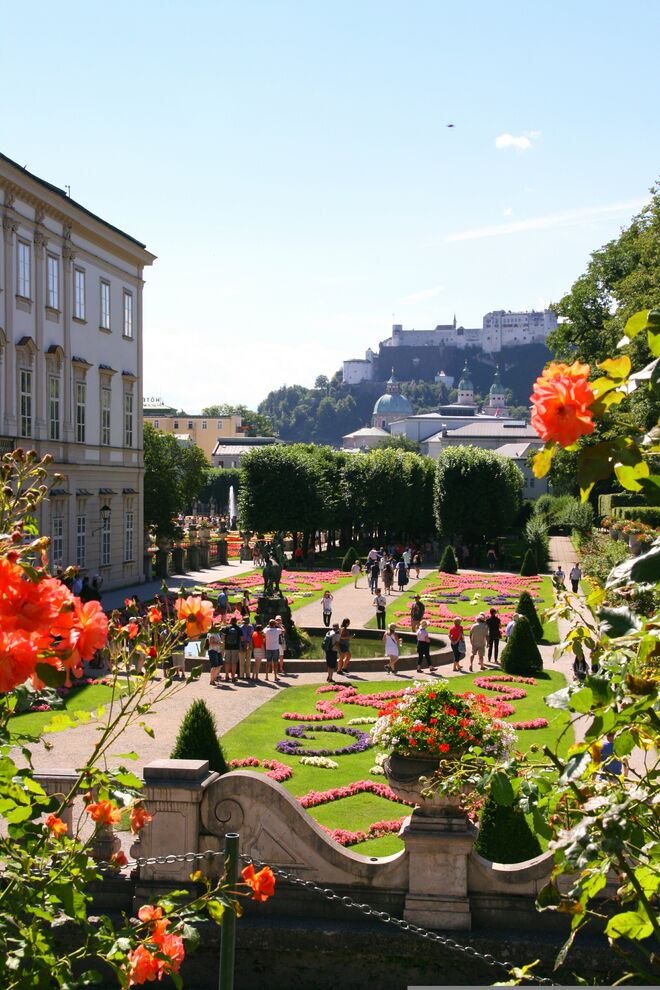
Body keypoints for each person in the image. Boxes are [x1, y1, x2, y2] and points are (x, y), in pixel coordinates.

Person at [222, 617, 241, 683]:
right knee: (234, 663)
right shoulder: (238, 628)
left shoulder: (227, 628)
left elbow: (223, 637)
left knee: (227, 662)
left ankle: (227, 676)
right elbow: (242, 638)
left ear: (230, 621)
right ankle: (233, 677)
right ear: (236, 621)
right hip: (235, 647)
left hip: (227, 647)